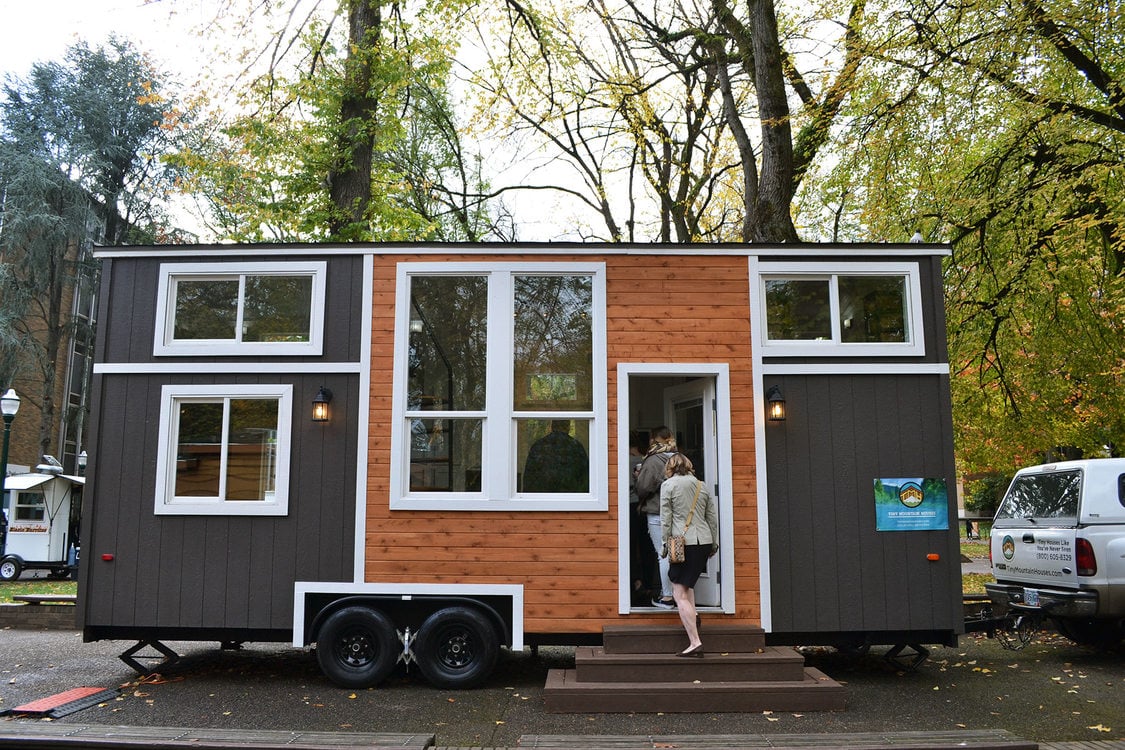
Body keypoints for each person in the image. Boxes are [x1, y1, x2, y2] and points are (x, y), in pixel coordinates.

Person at [660, 452, 718, 657]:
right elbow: (711, 516)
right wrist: (714, 543)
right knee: (688, 585)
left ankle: (695, 641)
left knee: (678, 592)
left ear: (670, 467)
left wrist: (665, 545)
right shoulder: (701, 486)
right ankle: (694, 615)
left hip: (682, 543)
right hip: (703, 541)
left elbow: (666, 519)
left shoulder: (668, 486)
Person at [634, 426, 677, 608]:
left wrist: (638, 477)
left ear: (653, 440)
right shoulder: (679, 459)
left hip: (658, 512)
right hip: (679, 513)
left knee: (663, 554)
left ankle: (667, 597)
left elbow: (643, 488)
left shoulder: (653, 460)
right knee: (678, 553)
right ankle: (681, 595)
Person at [628, 431, 657, 604]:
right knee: (647, 546)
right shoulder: (646, 461)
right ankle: (648, 584)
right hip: (645, 507)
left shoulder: (624, 460)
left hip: (630, 506)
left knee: (631, 547)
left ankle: (634, 582)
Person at [522, 420, 589, 493]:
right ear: (568, 427)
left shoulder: (539, 445)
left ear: (552, 427)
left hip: (543, 497)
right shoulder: (576, 446)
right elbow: (585, 478)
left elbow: (529, 478)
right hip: (570, 497)